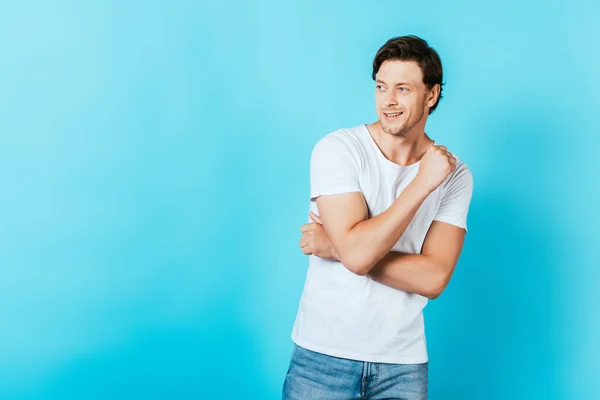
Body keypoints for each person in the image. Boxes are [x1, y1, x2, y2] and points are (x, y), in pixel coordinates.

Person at [282, 35, 474, 400]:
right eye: (382, 87)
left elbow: (433, 278)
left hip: (403, 366)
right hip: (323, 359)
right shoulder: (339, 149)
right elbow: (357, 254)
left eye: (403, 89)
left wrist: (336, 247)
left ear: (431, 95)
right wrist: (421, 185)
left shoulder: (455, 174)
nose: (388, 101)